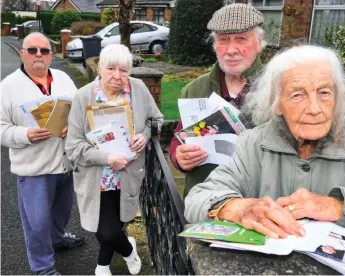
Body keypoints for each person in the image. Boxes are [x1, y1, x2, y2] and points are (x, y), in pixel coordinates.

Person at [184, 45, 345, 241]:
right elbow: (198, 199)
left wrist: (339, 207)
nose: (314, 108)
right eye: (297, 95)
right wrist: (240, 209)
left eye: (324, 92)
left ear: (337, 97)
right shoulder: (253, 144)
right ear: (276, 103)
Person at [65, 44, 164, 276]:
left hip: (128, 174)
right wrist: (108, 158)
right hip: (97, 177)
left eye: (124, 70)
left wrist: (145, 135)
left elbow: (156, 119)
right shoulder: (83, 97)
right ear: (99, 68)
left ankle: (102, 265)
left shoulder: (138, 89)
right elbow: (74, 147)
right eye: (111, 69)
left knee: (118, 221)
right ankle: (129, 250)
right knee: (106, 232)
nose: (118, 77)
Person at [0, 32, 84, 275]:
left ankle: (57, 239)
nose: (39, 55)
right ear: (22, 53)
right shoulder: (7, 88)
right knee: (36, 222)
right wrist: (25, 135)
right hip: (33, 168)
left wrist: (74, 125)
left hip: (65, 163)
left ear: (51, 55)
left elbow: (79, 110)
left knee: (62, 211)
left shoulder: (64, 78)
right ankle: (43, 267)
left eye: (44, 51)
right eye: (33, 50)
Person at [168, 3, 265, 197]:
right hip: (204, 201)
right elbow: (179, 138)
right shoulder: (195, 89)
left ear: (259, 42)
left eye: (241, 39)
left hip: (258, 202)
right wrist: (179, 156)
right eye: (223, 40)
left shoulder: (278, 89)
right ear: (215, 45)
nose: (231, 49)